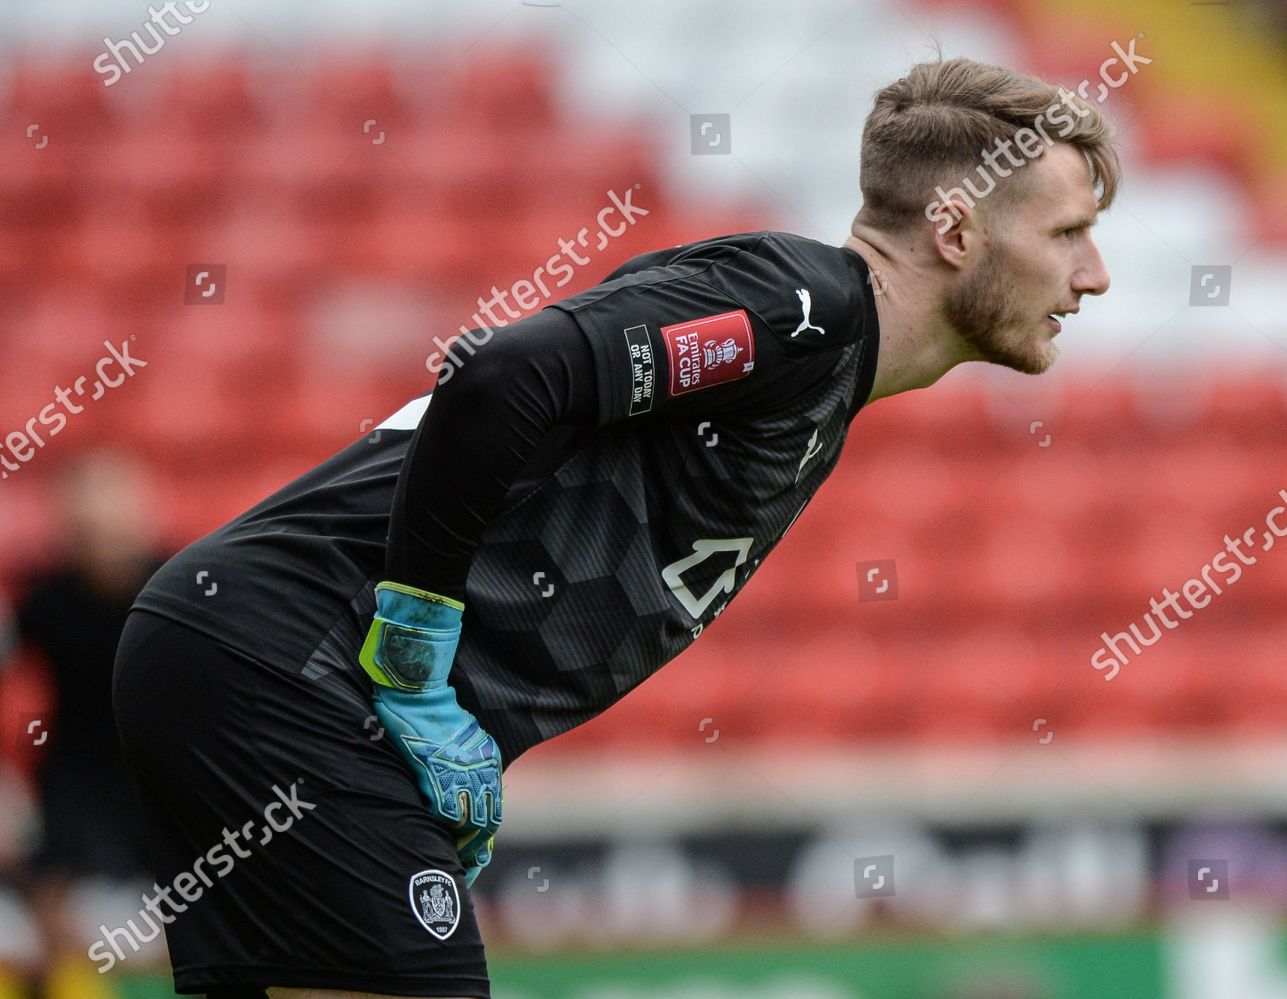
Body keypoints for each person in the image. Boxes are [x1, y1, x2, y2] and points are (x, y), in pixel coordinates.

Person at [111, 56, 1116, 999]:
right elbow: (504, 373)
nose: (1095, 274)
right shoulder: (802, 308)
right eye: (1070, 233)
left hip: (252, 665)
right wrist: (414, 653)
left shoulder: (824, 368)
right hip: (284, 661)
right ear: (955, 231)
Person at [3, 449, 163, 998]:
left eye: (110, 516)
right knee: (54, 917)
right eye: (85, 523)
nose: (100, 533)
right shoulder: (46, 601)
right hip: (75, 779)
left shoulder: (181, 587)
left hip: (162, 770)